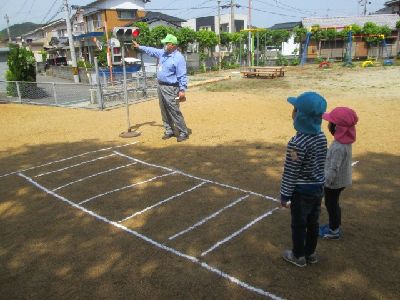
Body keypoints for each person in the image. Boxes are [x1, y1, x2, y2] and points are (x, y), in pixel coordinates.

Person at [280, 91, 327, 267]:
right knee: (313, 222)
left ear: (300, 116)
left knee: (299, 224)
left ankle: (298, 256)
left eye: (295, 109)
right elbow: (321, 161)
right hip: (317, 189)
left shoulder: (297, 143)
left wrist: (285, 195)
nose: (292, 112)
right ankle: (311, 253)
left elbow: (291, 173)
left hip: (301, 192)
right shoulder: (322, 137)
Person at [133, 34, 189, 142]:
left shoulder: (178, 58)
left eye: (166, 43)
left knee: (174, 110)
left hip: (171, 88)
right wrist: (139, 47)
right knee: (164, 110)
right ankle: (169, 130)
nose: (164, 45)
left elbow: (182, 75)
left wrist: (182, 90)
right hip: (160, 86)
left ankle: (183, 132)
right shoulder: (163, 53)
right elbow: (151, 50)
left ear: (172, 45)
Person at [319, 107, 359, 240]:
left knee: (330, 205)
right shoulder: (344, 142)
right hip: (342, 180)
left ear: (337, 128)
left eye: (330, 123)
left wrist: (325, 184)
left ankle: (334, 231)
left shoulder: (338, 147)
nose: (328, 125)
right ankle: (335, 225)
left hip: (334, 183)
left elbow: (333, 169)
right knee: (334, 203)